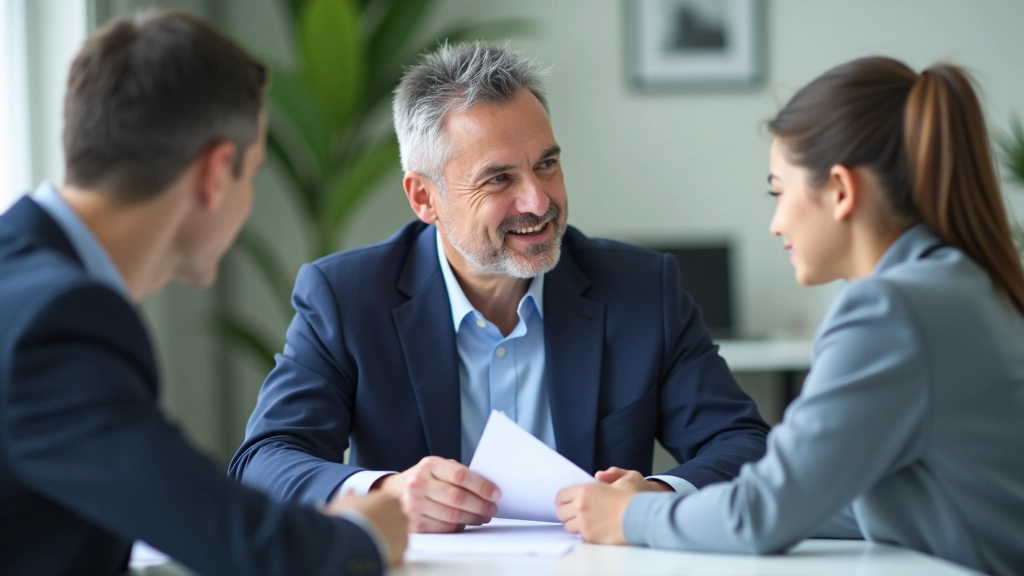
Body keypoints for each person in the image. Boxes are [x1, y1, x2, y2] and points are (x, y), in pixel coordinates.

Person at [228, 41, 770, 534]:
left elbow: (743, 445)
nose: (538, 201)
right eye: (499, 179)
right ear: (424, 199)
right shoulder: (346, 296)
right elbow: (265, 460)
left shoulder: (641, 289)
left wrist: (649, 499)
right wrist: (387, 491)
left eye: (547, 165)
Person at [553, 56, 1024, 576]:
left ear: (841, 191)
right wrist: (662, 504)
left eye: (779, 192)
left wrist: (632, 516)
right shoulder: (963, 282)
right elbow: (839, 503)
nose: (776, 224)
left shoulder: (888, 311)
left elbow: (760, 515)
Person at [0, 10, 407, 576]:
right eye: (253, 173)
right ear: (216, 174)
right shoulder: (58, 321)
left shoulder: (19, 277)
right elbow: (237, 539)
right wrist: (365, 529)